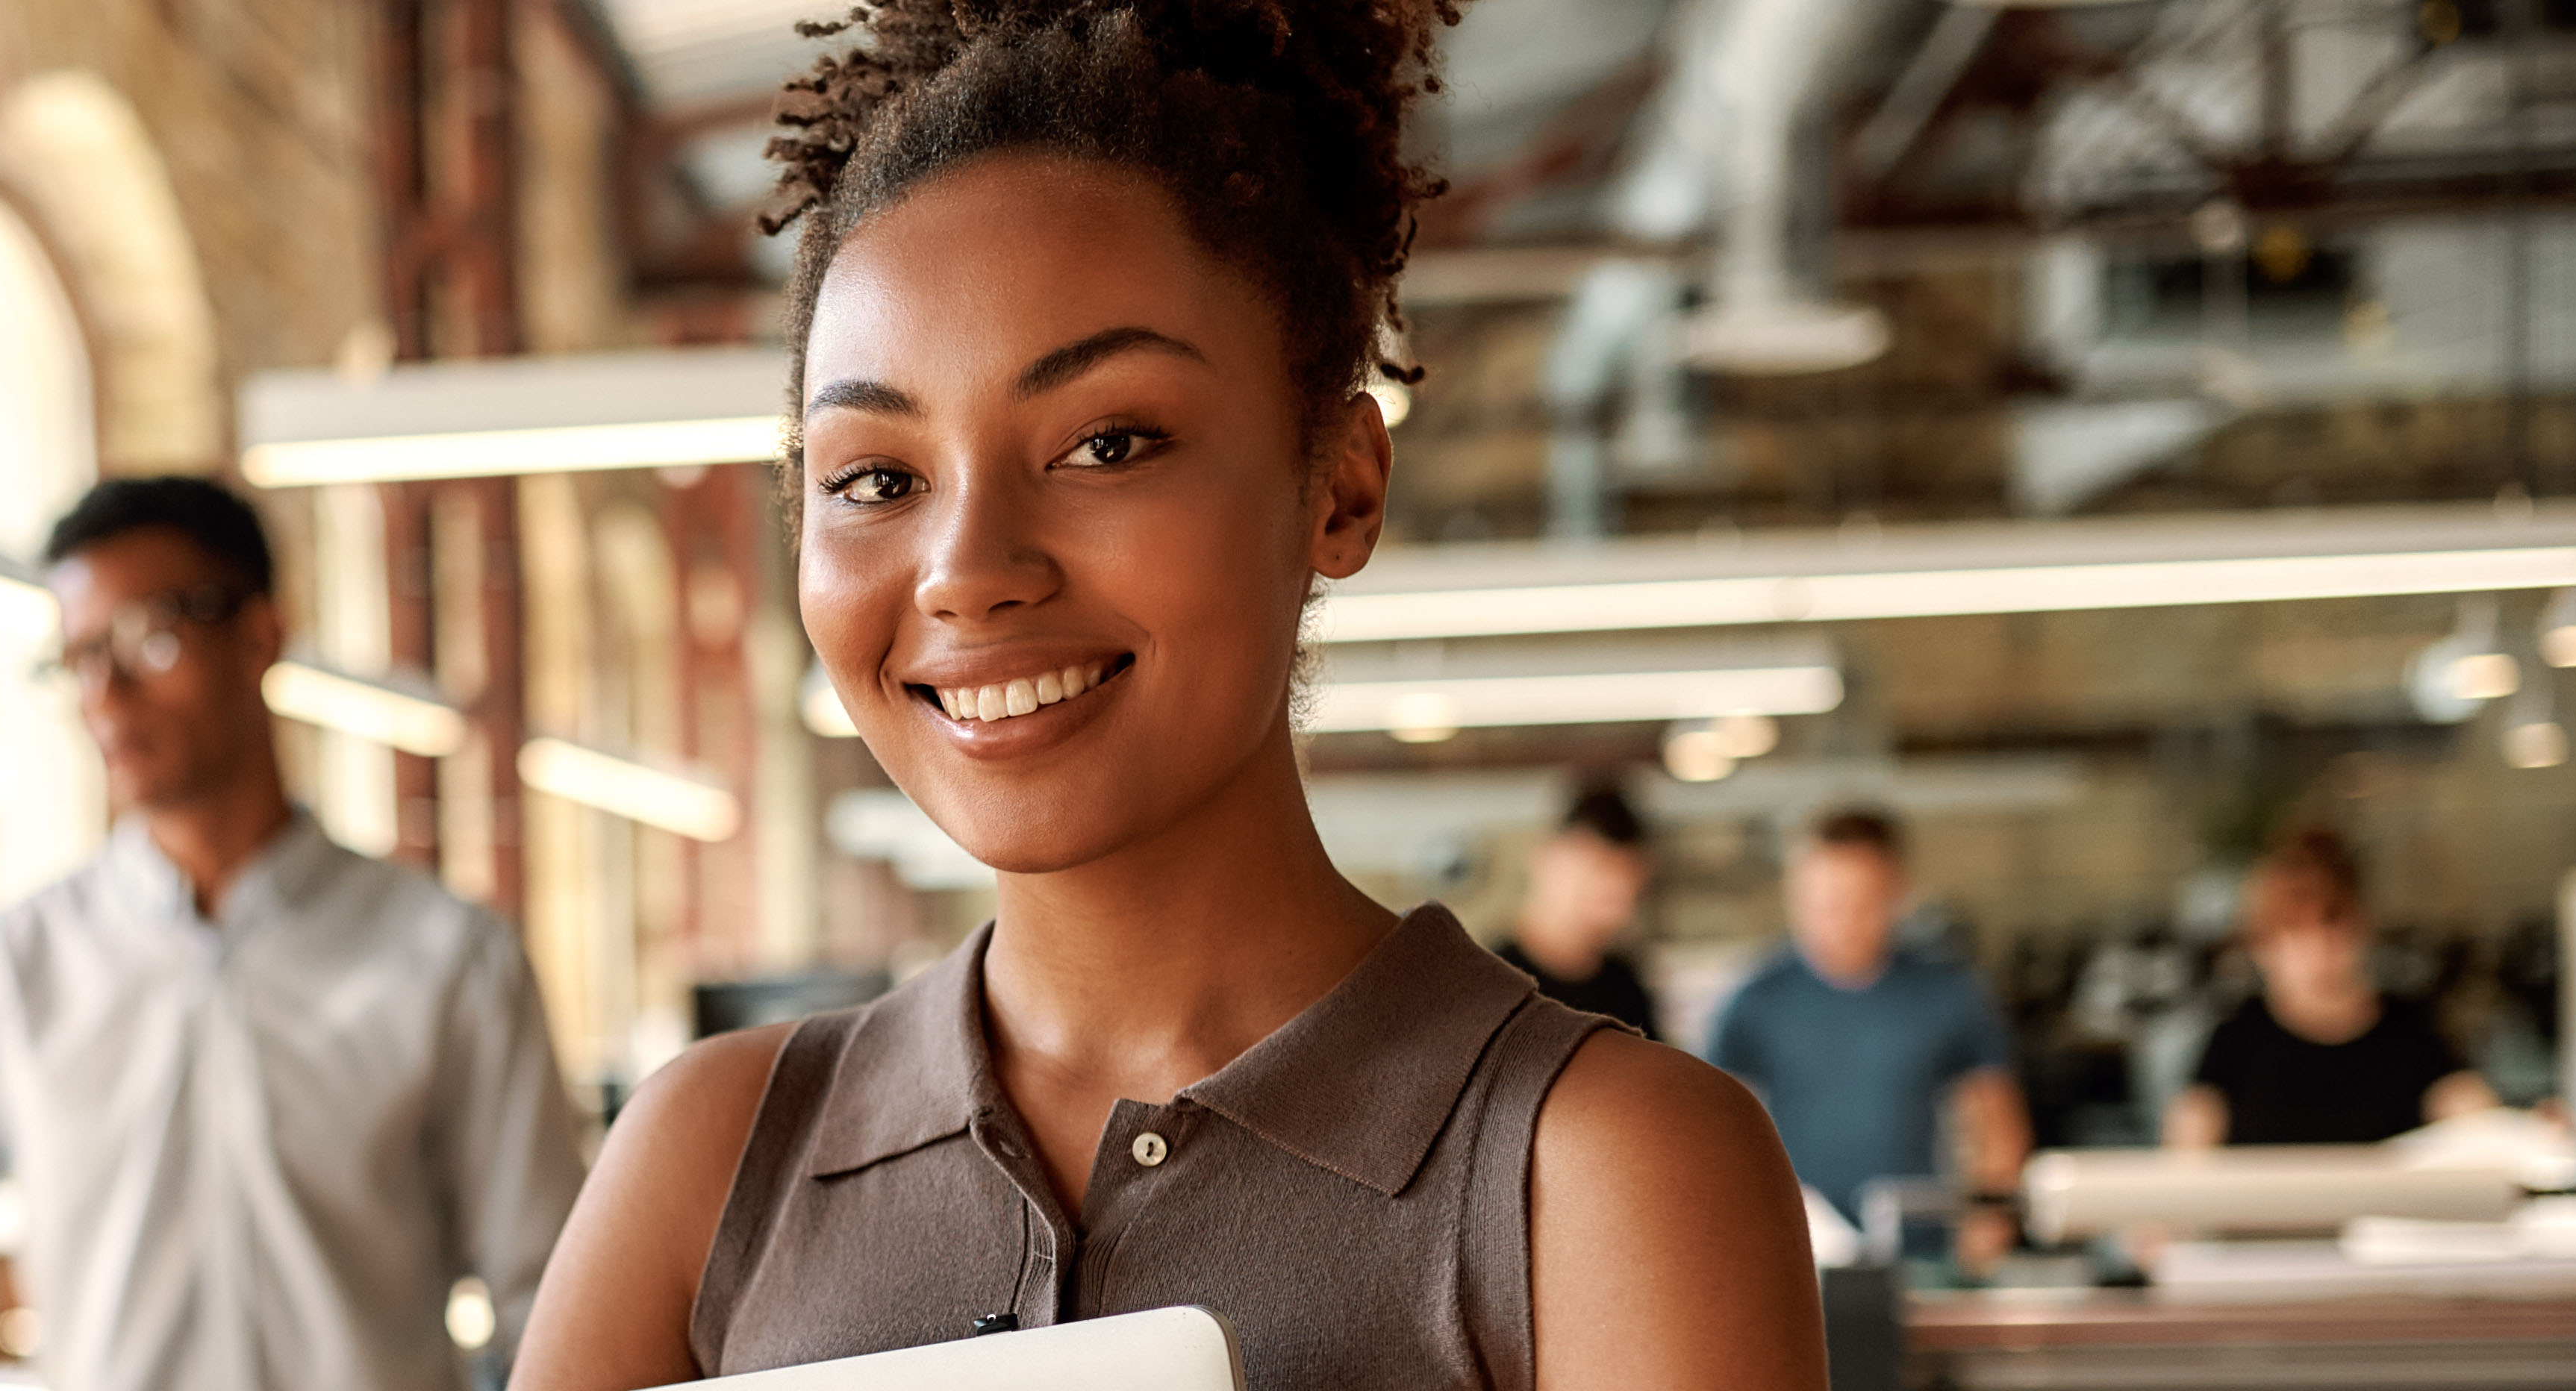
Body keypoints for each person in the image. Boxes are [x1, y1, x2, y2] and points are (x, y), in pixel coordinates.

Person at [508, 3, 1826, 1386]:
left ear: (1340, 489)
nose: (966, 573)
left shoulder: (1602, 1166)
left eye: (1107, 443)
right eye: (877, 477)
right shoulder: (710, 1161)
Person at [0, 476, 588, 1391]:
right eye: (78, 657)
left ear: (259, 636)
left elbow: (550, 1301)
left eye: (148, 636)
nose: (105, 693)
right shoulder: (5, 967)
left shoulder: (452, 961)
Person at [1703, 809, 2030, 1248]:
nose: (1844, 923)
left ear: (1897, 894)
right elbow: (1715, 1136)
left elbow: (1995, 1123)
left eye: (1863, 904)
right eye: (1827, 904)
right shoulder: (1756, 999)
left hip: (1921, 1244)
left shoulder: (1949, 992)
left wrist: (1988, 1227)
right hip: (1799, 1245)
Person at [2165, 827, 2495, 1148]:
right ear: (2262, 944)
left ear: (2361, 926)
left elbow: (2474, 1121)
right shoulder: (2235, 1041)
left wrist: (2485, 1119)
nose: (2317, 946)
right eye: (2294, 929)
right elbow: (2190, 1147)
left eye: (2332, 922)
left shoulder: (2414, 1032)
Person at [1499, 778, 1662, 1038]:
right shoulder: (1494, 980)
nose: (1614, 887)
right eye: (1599, 868)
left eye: (1627, 875)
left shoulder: (1625, 986)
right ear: (1546, 859)